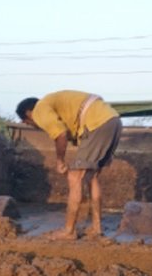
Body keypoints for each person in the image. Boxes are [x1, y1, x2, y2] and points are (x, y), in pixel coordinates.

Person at [16, 91, 122, 240]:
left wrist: (60, 160)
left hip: (97, 123)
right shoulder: (57, 105)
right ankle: (97, 228)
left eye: (28, 122)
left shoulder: (40, 109)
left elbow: (61, 135)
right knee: (92, 177)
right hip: (113, 121)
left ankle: (69, 231)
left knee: (74, 177)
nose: (33, 125)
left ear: (29, 113)